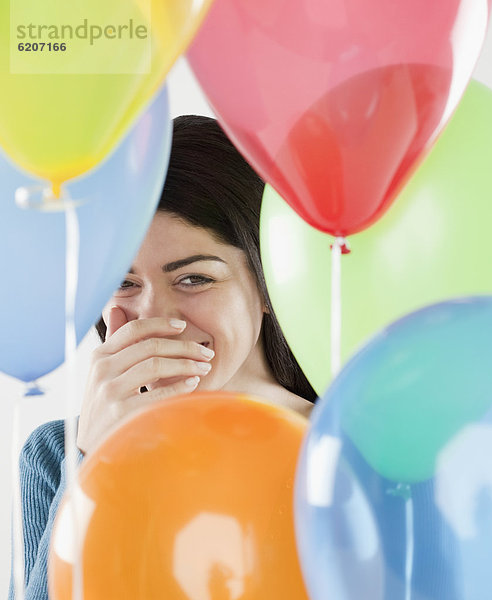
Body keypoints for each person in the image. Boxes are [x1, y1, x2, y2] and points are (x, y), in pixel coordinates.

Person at [10, 115, 317, 600]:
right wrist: (92, 461)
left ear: (269, 281)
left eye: (194, 278)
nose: (154, 315)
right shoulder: (56, 456)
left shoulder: (350, 444)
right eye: (125, 283)